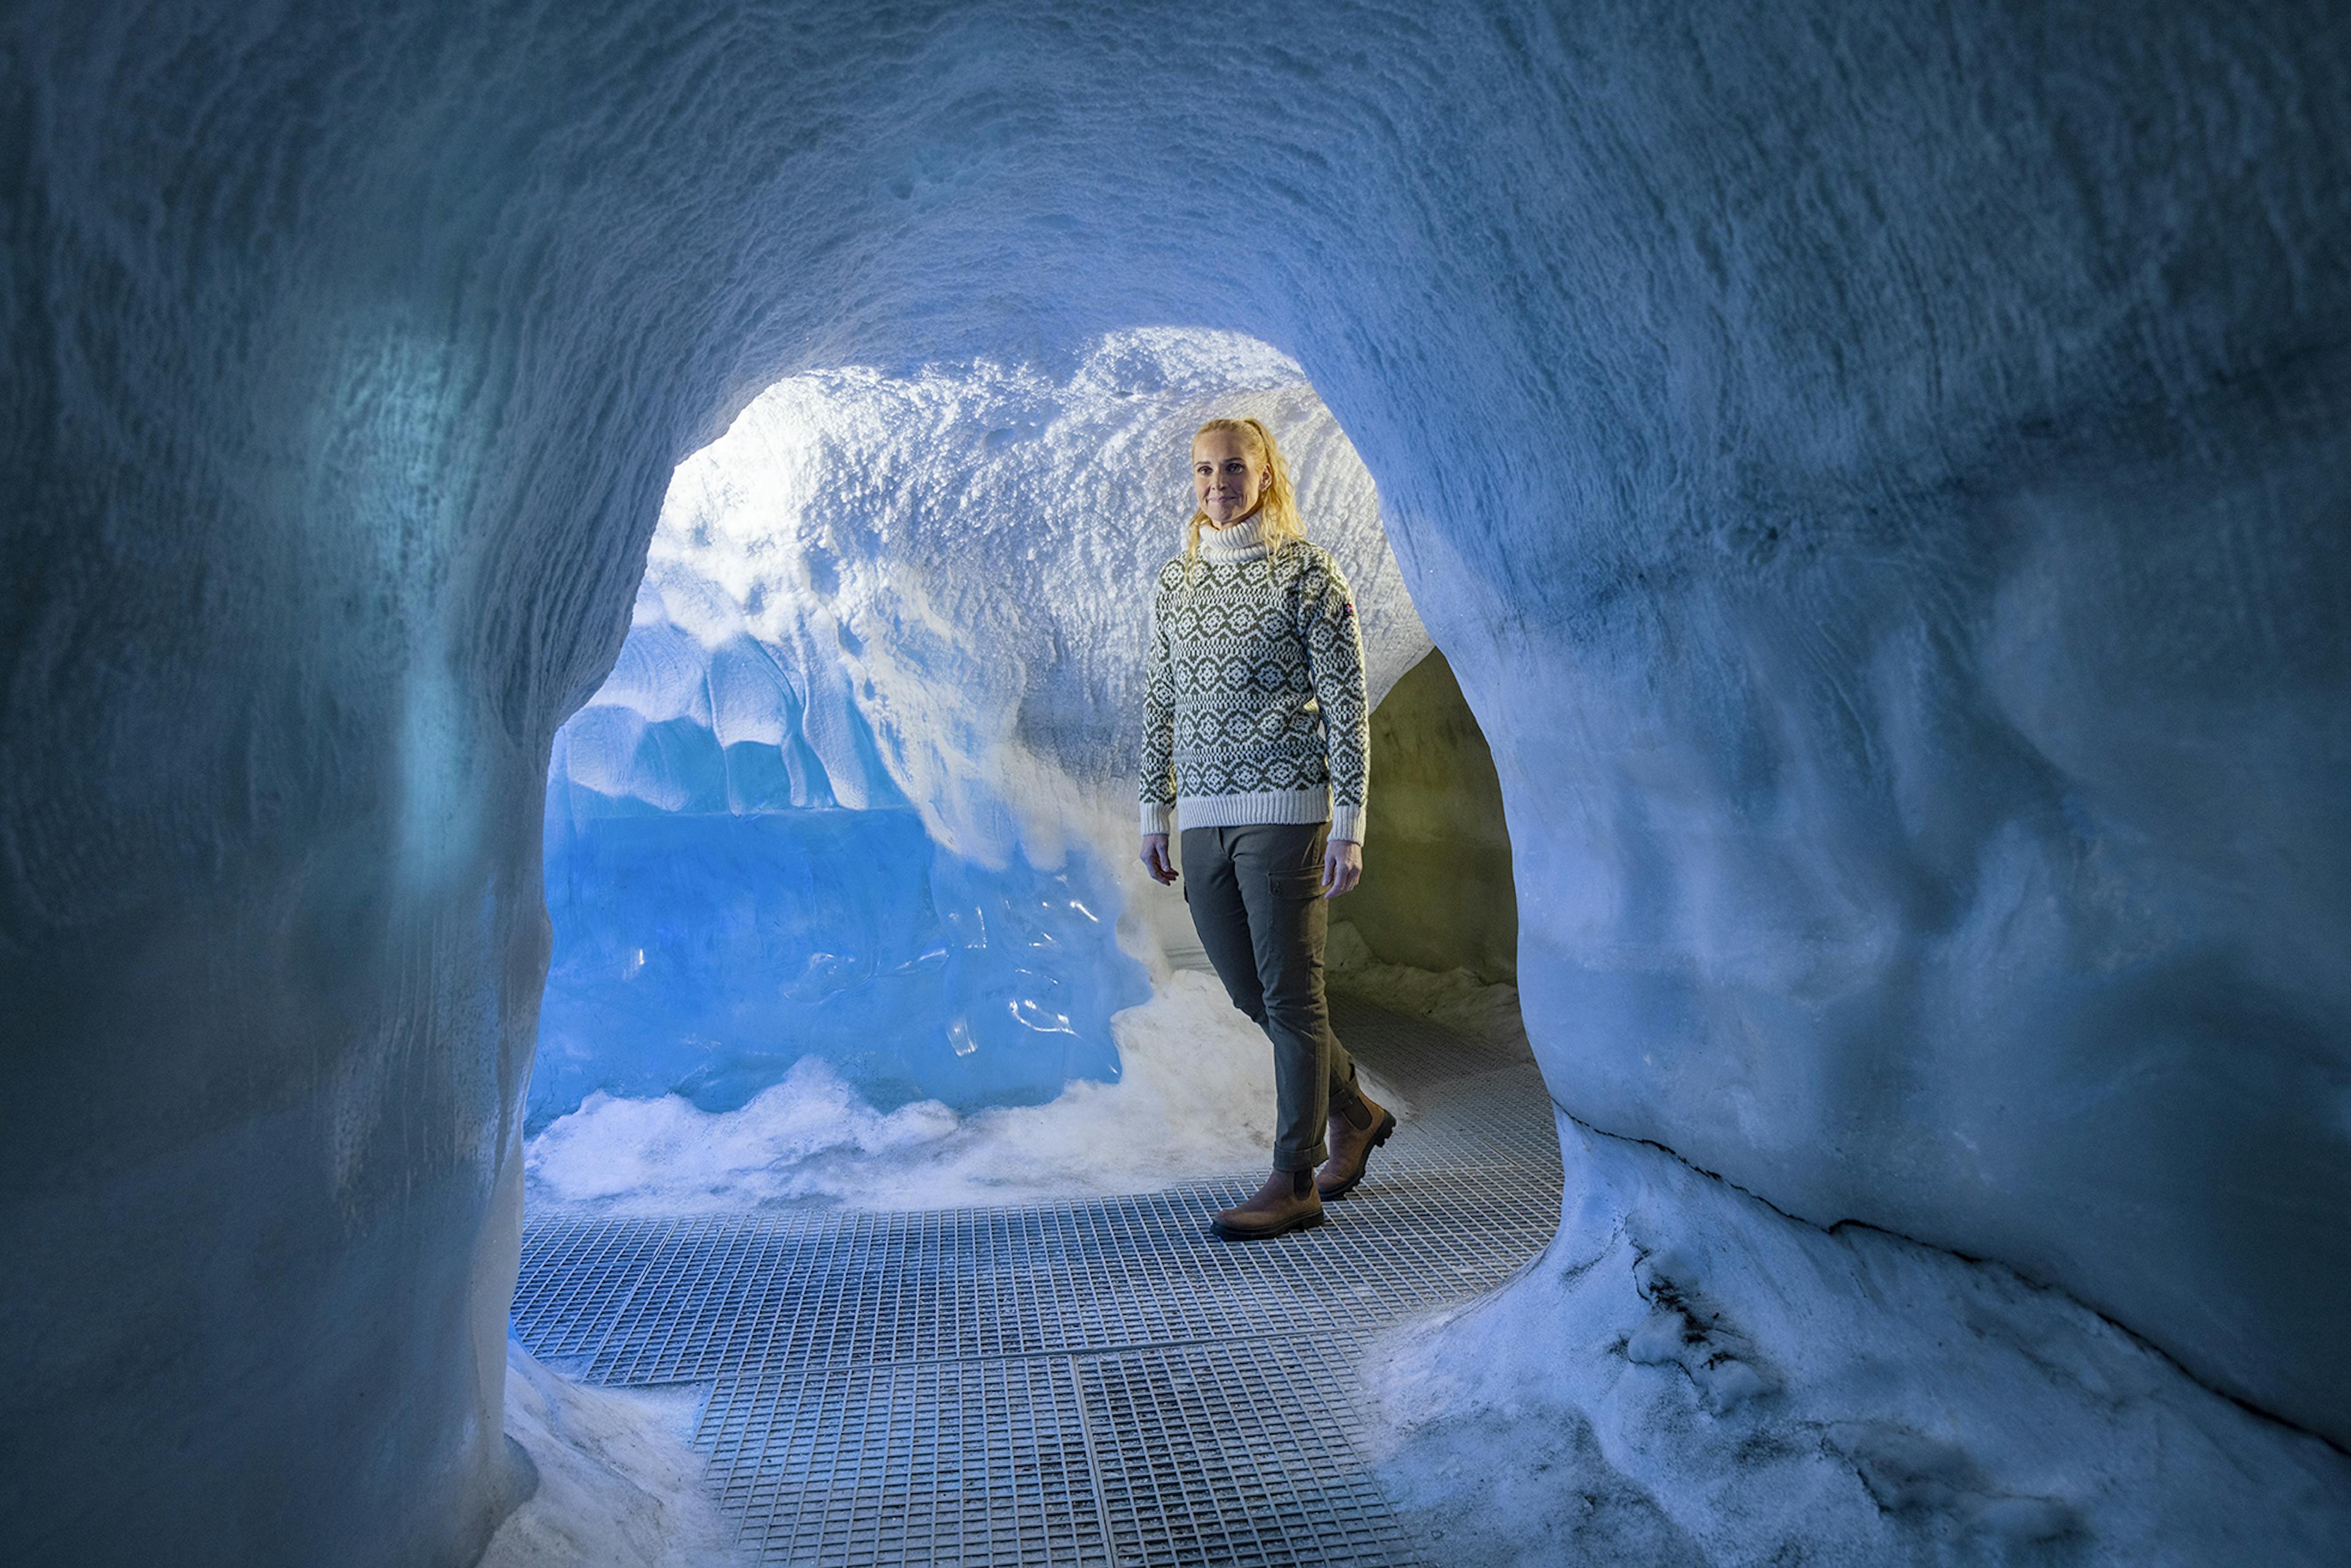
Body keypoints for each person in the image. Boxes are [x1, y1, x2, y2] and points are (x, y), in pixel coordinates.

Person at [1139, 415, 1396, 1240]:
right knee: (1252, 991)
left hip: (1287, 809)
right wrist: (1156, 812)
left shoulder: (1307, 573)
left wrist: (1350, 823)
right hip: (1205, 817)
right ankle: (1351, 1107)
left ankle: (1294, 1177)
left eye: (1236, 468)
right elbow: (1160, 702)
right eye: (1206, 470)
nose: (1219, 483)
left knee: (1292, 992)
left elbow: (1348, 705)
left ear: (1268, 476)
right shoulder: (1177, 583)